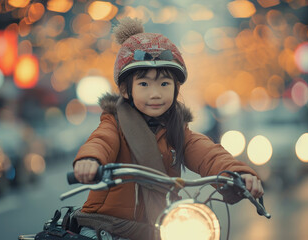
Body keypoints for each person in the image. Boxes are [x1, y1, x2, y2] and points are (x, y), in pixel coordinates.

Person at [72, 17, 264, 240]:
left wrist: (239, 173)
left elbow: (208, 154)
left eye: (164, 84)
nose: (155, 93)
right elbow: (101, 141)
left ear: (175, 89)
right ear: (126, 90)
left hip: (158, 226)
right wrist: (91, 161)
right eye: (144, 84)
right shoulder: (115, 123)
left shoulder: (177, 130)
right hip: (107, 227)